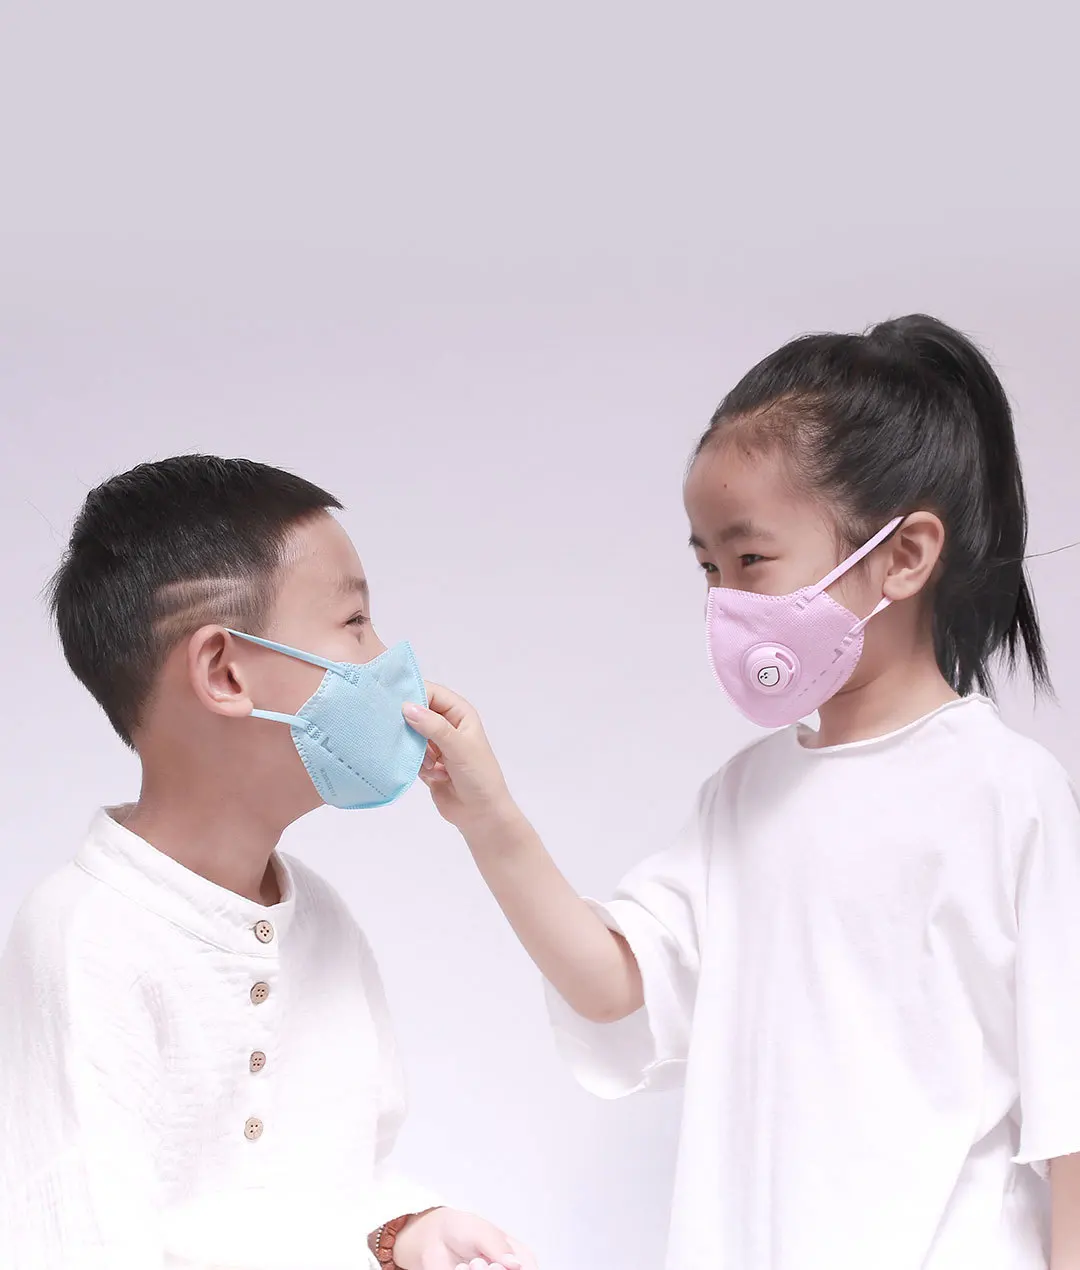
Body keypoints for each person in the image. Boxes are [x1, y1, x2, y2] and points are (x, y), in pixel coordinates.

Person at [402, 315, 1080, 1269]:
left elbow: (1069, 1116)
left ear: (903, 556)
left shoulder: (1009, 794)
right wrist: (487, 816)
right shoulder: (743, 798)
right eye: (709, 569)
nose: (726, 602)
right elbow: (610, 987)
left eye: (751, 559)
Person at [0, 455, 535, 1270]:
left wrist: (403, 1234)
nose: (390, 662)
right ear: (224, 670)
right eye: (355, 622)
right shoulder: (86, 939)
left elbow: (343, 1186)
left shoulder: (318, 919)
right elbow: (79, 1241)